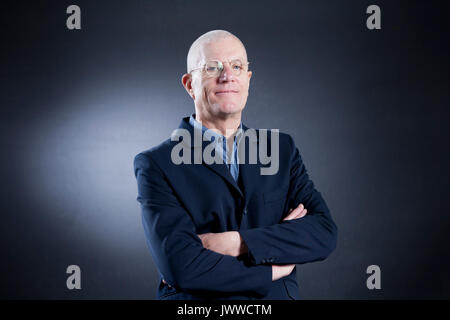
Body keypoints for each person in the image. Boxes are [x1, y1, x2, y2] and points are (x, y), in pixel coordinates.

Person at [133, 30, 337, 300]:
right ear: (189, 84)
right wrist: (274, 269)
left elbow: (323, 232)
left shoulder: (281, 150)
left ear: (248, 79)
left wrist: (235, 242)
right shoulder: (156, 164)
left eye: (237, 66)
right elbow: (182, 268)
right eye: (212, 67)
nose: (227, 76)